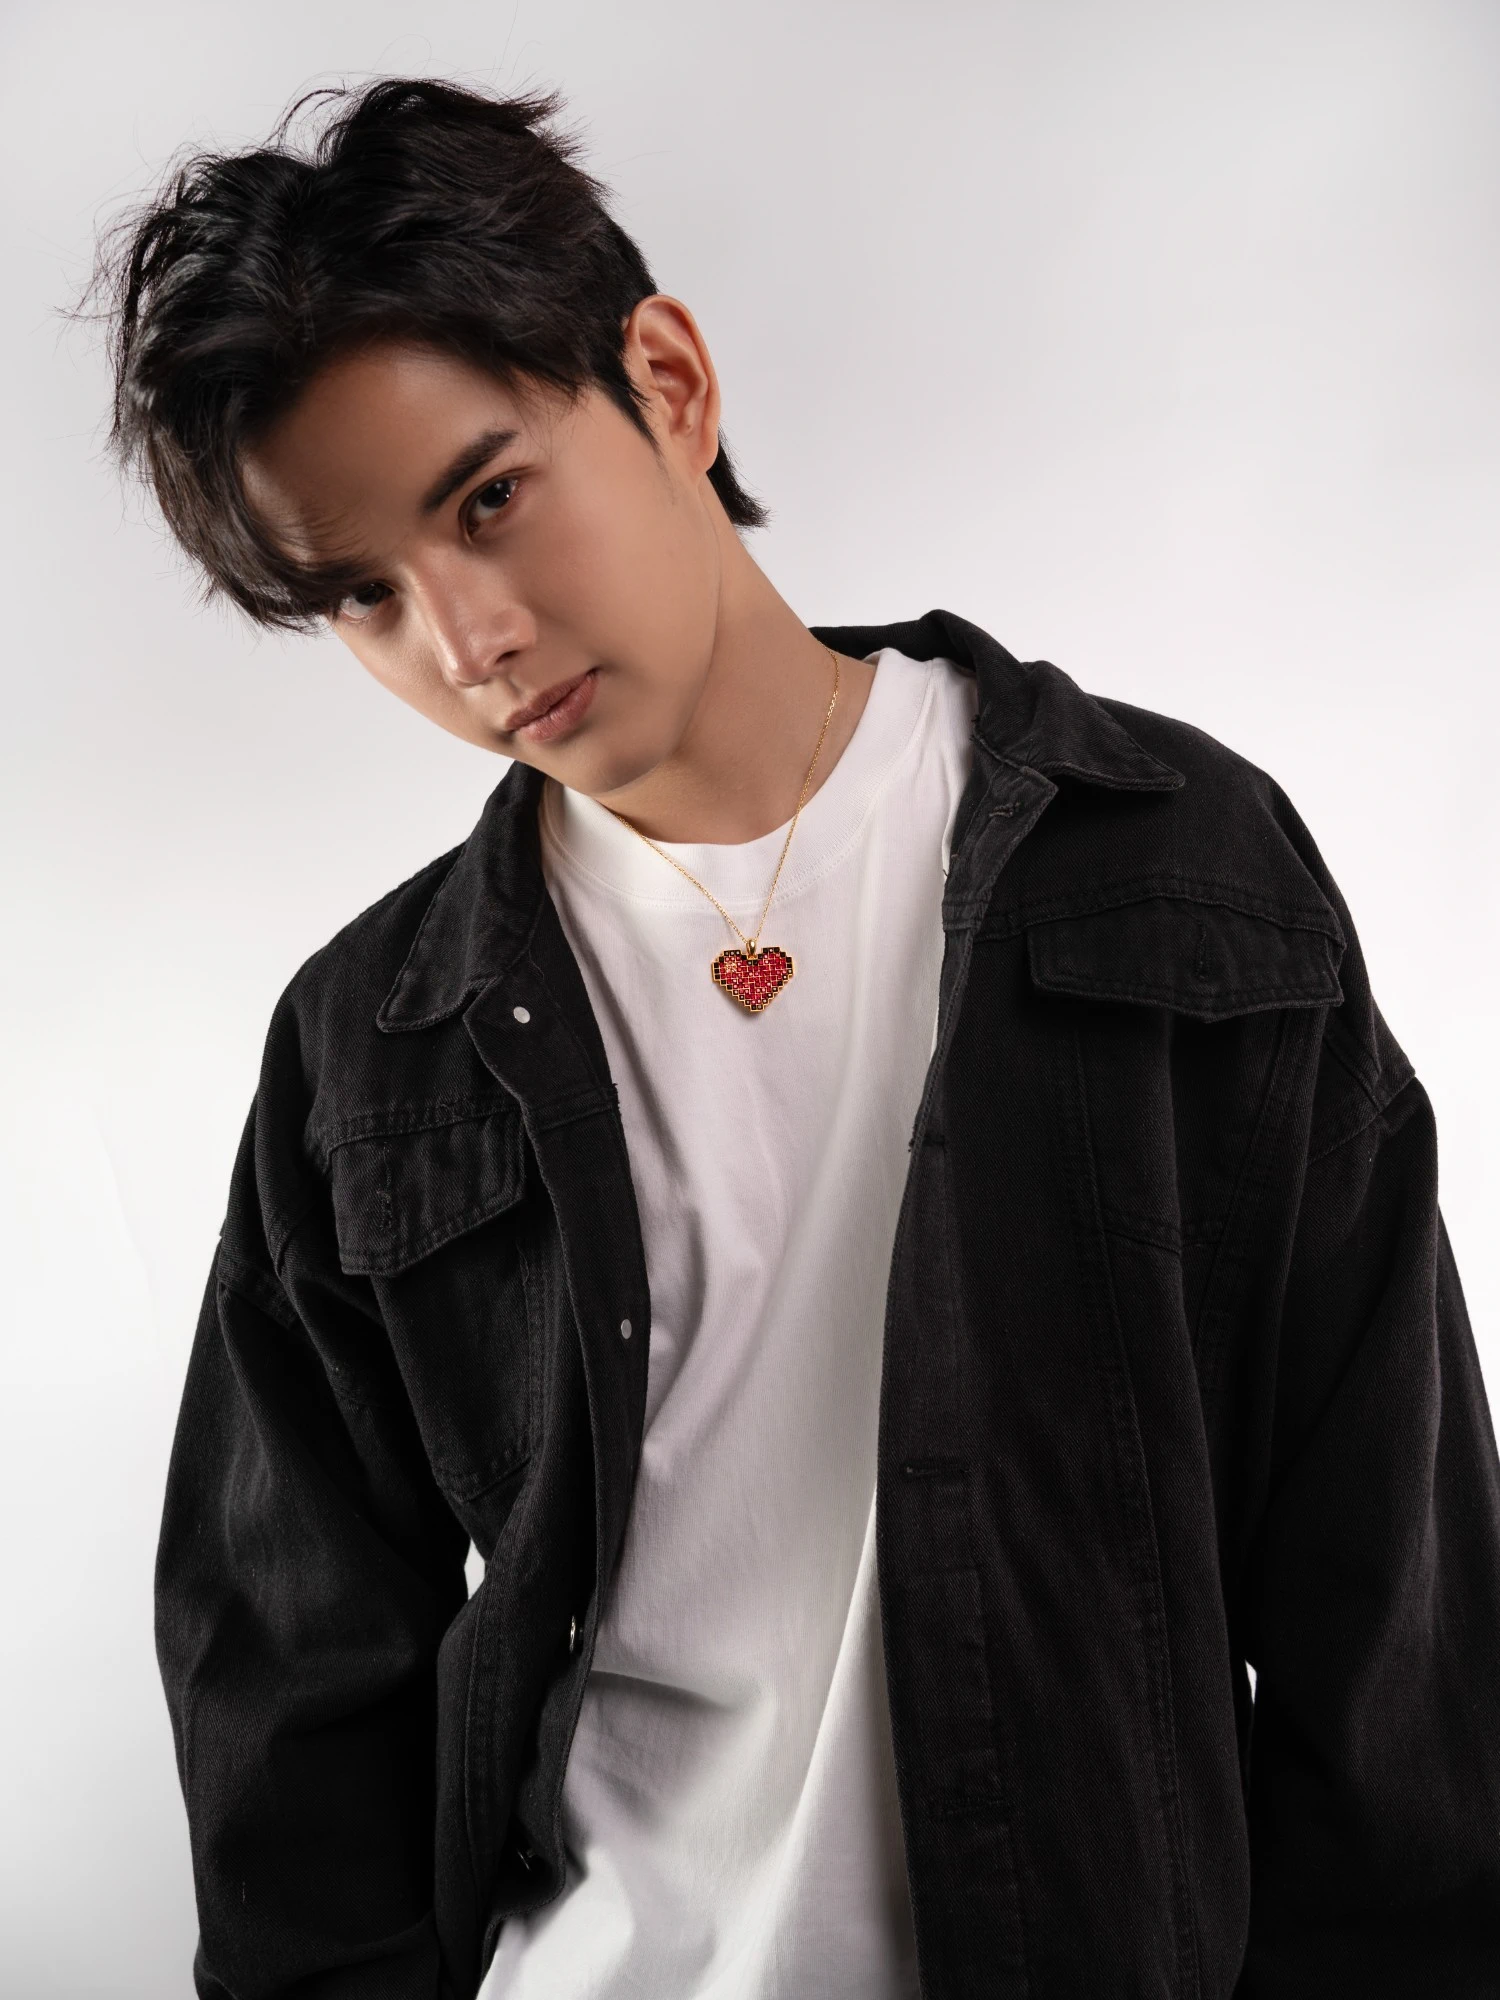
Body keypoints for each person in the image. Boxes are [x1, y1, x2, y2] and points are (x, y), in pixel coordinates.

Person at [94, 75, 1500, 2000]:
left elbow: (1390, 1612)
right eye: (364, 596)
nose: (467, 640)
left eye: (488, 500)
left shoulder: (1176, 869)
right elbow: (287, 1703)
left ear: (668, 383)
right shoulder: (373, 1049)